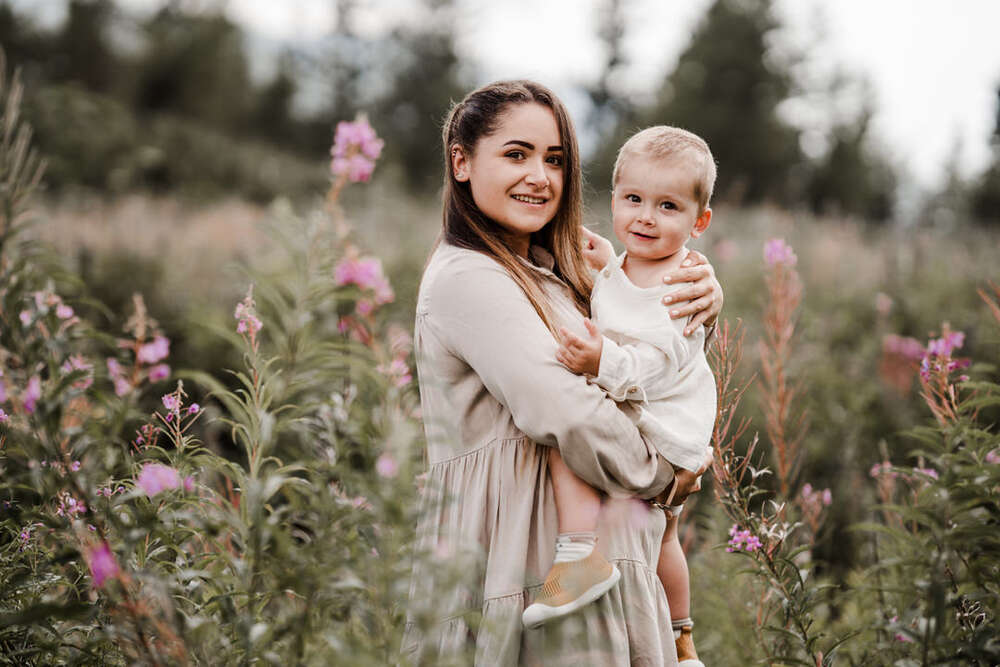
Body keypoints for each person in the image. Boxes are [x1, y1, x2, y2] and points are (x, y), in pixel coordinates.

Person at [401, 80, 723, 666]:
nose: (540, 177)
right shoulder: (469, 277)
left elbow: (652, 351)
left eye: (554, 159)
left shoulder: (556, 270)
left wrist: (697, 294)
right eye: (516, 154)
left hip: (598, 564)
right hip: (521, 557)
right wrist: (662, 475)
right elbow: (566, 410)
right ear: (462, 162)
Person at [521, 126, 718, 667]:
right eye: (633, 199)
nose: (646, 217)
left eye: (667, 206)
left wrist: (599, 362)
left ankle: (578, 554)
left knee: (565, 435)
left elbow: (656, 361)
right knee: (665, 537)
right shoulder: (633, 264)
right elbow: (627, 297)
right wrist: (609, 262)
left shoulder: (682, 286)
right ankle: (683, 643)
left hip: (661, 421)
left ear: (699, 222)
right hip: (663, 422)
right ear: (613, 200)